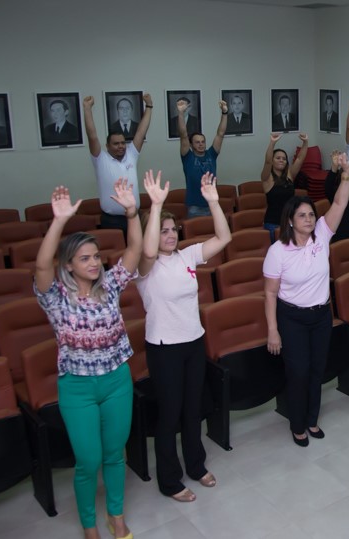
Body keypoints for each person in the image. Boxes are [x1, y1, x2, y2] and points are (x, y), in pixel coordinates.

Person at [33, 179, 141, 539]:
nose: (94, 263)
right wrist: (59, 221)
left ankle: (116, 516)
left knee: (114, 454)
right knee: (88, 461)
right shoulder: (56, 298)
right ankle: (89, 526)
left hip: (116, 381)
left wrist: (131, 212)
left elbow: (136, 249)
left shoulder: (109, 285)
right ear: (69, 264)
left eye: (96, 256)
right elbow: (41, 267)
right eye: (85, 258)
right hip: (77, 388)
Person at [136, 170, 229, 502]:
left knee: (193, 408)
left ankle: (196, 464)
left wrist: (214, 202)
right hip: (164, 348)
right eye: (162, 230)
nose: (170, 235)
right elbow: (146, 253)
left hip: (193, 341)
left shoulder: (187, 255)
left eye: (172, 229)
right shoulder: (144, 267)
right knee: (170, 413)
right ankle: (169, 481)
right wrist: (156, 206)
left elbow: (223, 239)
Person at [263, 154, 349, 446]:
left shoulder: (322, 236)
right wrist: (273, 330)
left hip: (320, 316)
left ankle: (312, 419)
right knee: (298, 372)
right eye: (302, 215)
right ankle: (298, 423)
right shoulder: (278, 250)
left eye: (312, 214)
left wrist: (346, 174)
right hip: (292, 318)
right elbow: (269, 293)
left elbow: (339, 203)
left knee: (317, 370)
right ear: (290, 219)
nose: (309, 219)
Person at [84, 94, 153, 236]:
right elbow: (92, 135)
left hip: (135, 216)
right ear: (107, 146)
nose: (121, 146)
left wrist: (149, 106)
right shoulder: (100, 158)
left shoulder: (131, 155)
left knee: (139, 254)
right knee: (117, 255)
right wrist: (87, 108)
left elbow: (141, 132)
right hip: (112, 220)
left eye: (123, 143)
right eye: (116, 144)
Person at [178, 99, 228, 218]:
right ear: (191, 145)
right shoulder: (187, 157)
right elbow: (183, 135)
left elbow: (220, 133)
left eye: (203, 142)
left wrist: (225, 113)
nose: (201, 144)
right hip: (194, 208)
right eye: (197, 142)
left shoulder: (211, 154)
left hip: (212, 205)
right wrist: (180, 113)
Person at [260, 132, 309, 241]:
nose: (281, 160)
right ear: (273, 160)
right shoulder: (267, 177)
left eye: (284, 158)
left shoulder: (289, 175)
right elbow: (267, 162)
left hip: (290, 222)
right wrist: (272, 143)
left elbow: (300, 159)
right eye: (278, 158)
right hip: (273, 224)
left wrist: (305, 142)